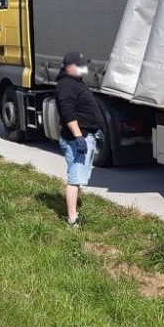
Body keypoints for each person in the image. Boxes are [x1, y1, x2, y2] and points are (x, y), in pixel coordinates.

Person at [55, 51, 103, 228]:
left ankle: (74, 211)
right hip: (76, 140)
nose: (84, 68)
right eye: (80, 65)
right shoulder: (66, 85)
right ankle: (72, 219)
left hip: (83, 135)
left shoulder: (74, 82)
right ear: (69, 67)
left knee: (79, 178)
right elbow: (68, 112)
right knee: (75, 179)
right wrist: (78, 136)